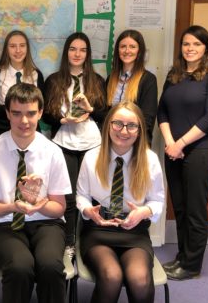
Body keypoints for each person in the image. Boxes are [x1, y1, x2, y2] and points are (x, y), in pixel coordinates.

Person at [0, 83, 71, 303]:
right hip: (3, 223)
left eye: (31, 114)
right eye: (16, 113)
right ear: (7, 113)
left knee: (50, 266)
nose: (24, 121)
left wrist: (37, 202)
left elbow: (59, 208)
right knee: (19, 267)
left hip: (46, 222)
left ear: (41, 113)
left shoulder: (53, 152)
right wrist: (14, 206)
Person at [77, 101, 165, 303]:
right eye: (118, 123)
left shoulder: (149, 160)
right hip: (98, 230)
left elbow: (158, 201)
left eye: (131, 125)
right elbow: (81, 196)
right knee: (111, 277)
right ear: (108, 125)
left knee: (140, 280)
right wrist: (88, 211)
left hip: (134, 232)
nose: (124, 131)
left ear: (139, 130)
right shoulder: (91, 157)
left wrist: (143, 212)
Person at [157, 25, 208, 280]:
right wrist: (169, 143)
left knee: (196, 209)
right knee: (181, 208)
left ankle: (191, 266)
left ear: (205, 48)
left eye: (196, 44)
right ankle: (183, 257)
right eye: (186, 44)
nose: (190, 49)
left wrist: (180, 144)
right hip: (173, 151)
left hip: (201, 152)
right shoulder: (174, 75)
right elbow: (162, 111)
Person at [43, 32, 107, 258]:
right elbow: (45, 115)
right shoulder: (53, 80)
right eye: (73, 49)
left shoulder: (97, 81)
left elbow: (104, 115)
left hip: (92, 145)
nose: (77, 54)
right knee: (68, 198)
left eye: (82, 50)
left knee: (92, 196)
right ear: (66, 52)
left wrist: (90, 110)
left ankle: (91, 243)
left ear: (88, 54)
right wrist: (63, 120)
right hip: (64, 144)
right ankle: (69, 243)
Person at [0, 30, 44, 142]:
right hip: (0, 129)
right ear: (6, 49)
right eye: (12, 46)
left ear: (27, 48)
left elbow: (41, 106)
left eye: (22, 46)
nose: (18, 50)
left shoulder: (36, 74)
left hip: (29, 129)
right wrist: (15, 110)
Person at [106, 29, 157, 144]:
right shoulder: (111, 79)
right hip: (112, 140)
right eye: (123, 46)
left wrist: (125, 135)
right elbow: (106, 114)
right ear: (117, 50)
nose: (127, 51)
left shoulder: (148, 79)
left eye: (132, 47)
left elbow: (147, 120)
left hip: (136, 142)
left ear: (139, 51)